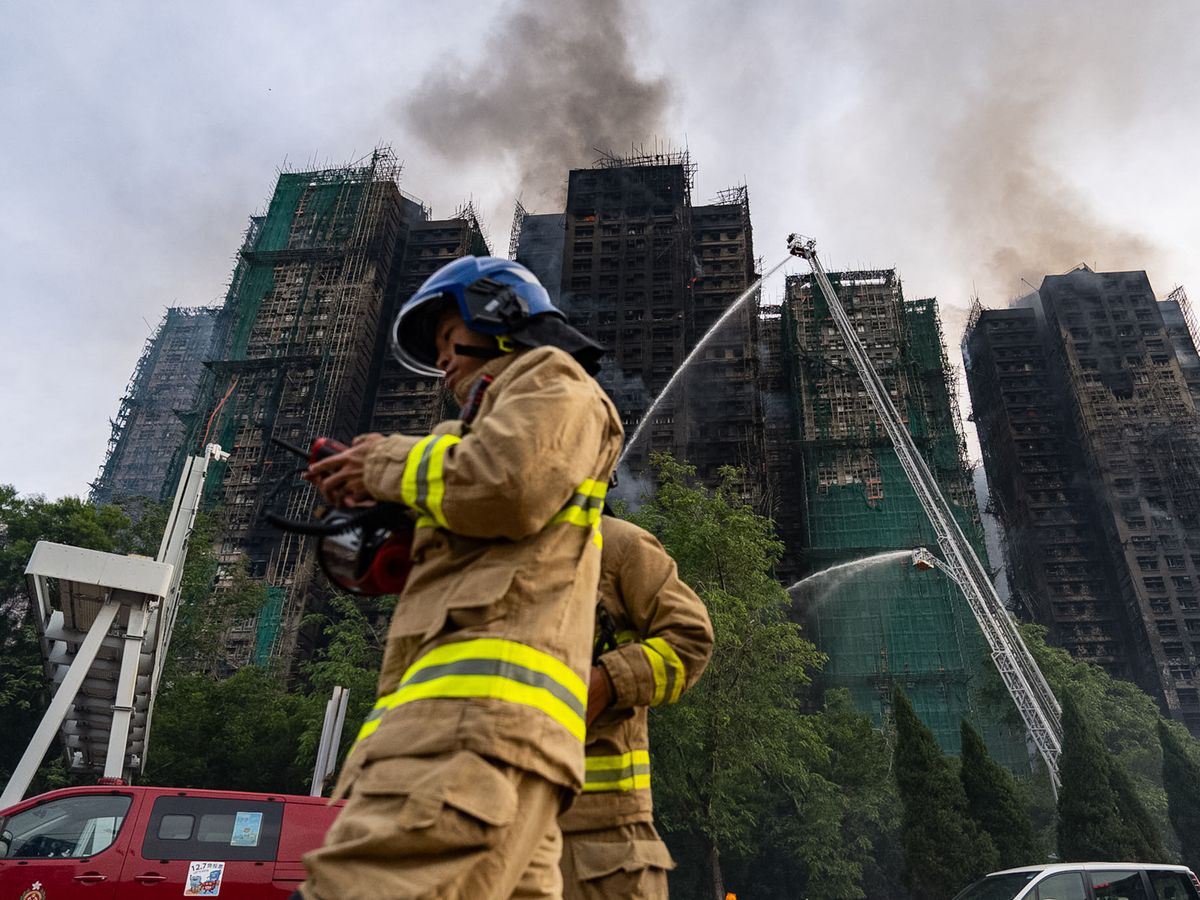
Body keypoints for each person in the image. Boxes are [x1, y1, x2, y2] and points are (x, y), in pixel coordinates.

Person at [300, 256, 624, 900]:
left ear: (502, 315)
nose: (444, 361)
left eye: (451, 338)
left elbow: (509, 483)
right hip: (495, 738)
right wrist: (387, 513)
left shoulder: (551, 378)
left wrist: (385, 463)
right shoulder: (470, 438)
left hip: (469, 733)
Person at [560, 514, 713, 900]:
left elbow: (690, 641)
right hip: (489, 825)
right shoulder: (470, 559)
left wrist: (608, 682)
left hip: (600, 839)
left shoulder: (618, 546)